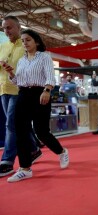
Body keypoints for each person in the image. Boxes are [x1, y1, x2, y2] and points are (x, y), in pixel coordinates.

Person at [3, 29, 69, 182]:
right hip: (23, 95)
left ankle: (62, 151)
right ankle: (25, 168)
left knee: (42, 132)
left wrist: (47, 90)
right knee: (21, 132)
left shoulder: (44, 57)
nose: (25, 43)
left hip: (40, 94)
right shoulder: (21, 60)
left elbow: (50, 77)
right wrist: (11, 74)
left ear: (36, 42)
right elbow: (18, 81)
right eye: (23, 40)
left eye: (28, 40)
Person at [0, 16, 42, 178]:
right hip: (3, 89)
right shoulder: (2, 46)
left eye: (9, 27)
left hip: (20, 90)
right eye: (4, 28)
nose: (6, 31)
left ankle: (7, 162)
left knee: (11, 124)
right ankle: (34, 149)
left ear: (18, 27)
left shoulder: (27, 45)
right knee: (19, 124)